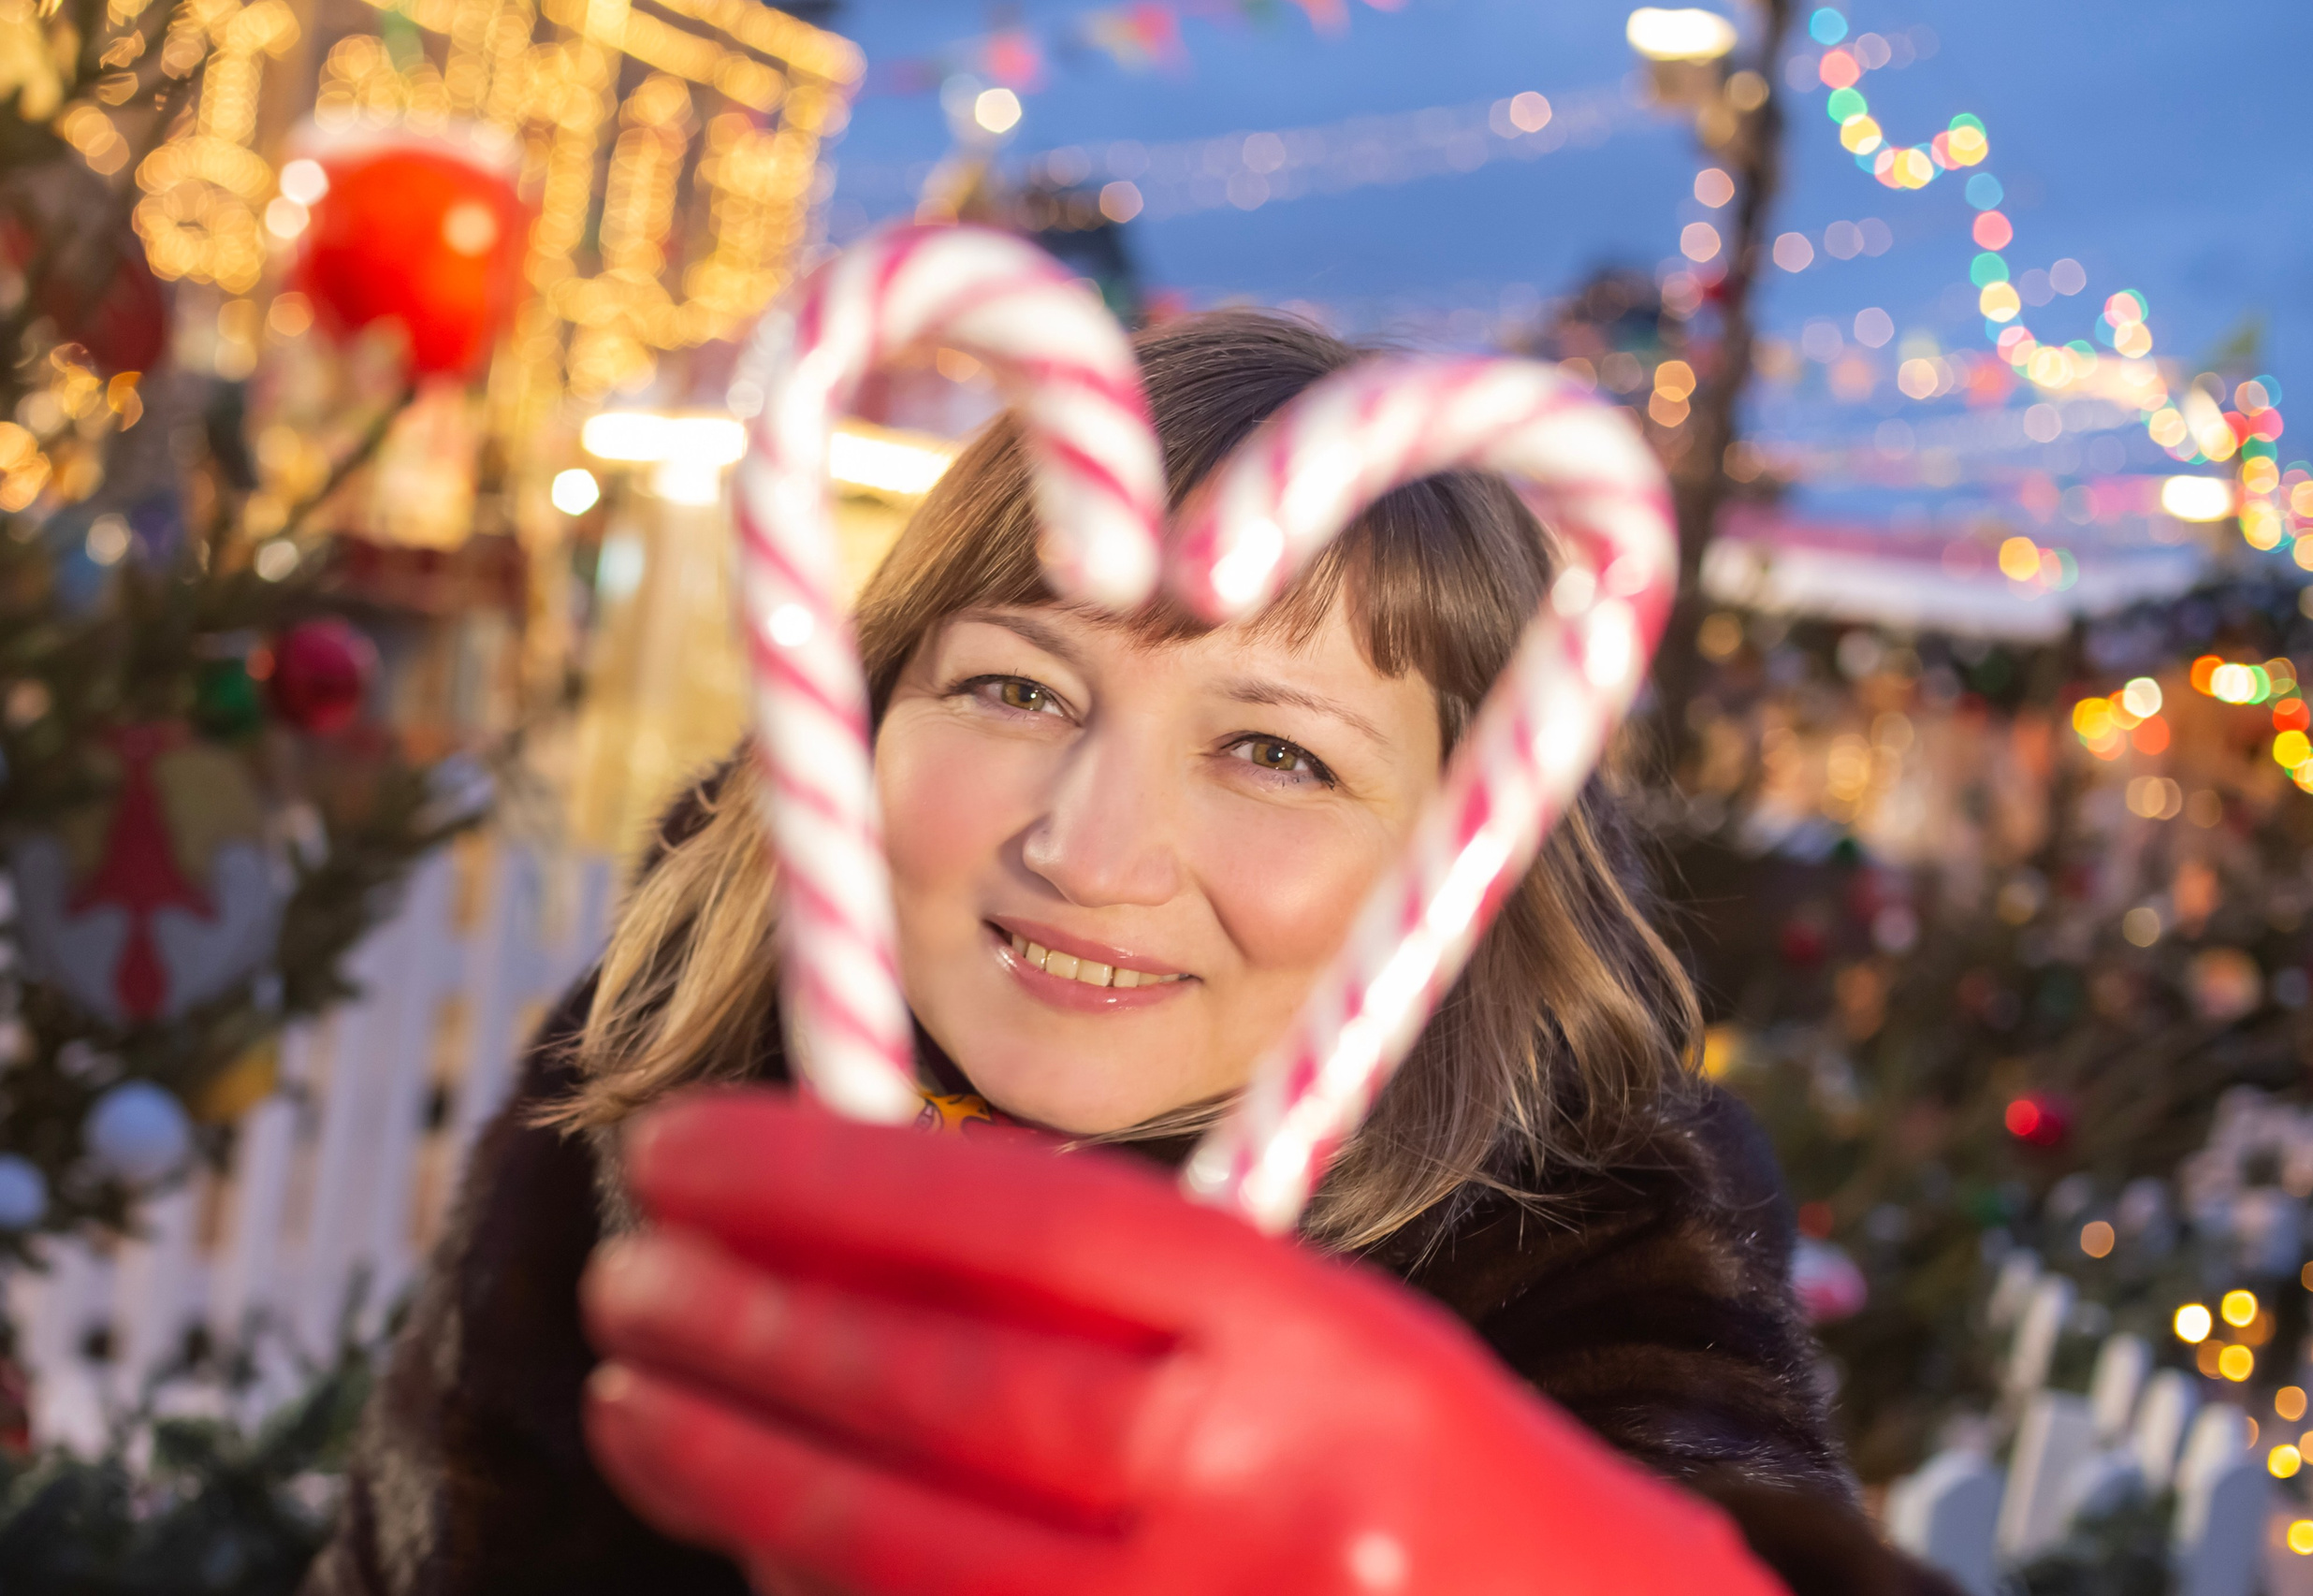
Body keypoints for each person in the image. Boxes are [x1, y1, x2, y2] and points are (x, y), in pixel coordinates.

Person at [306, 312, 1948, 1595]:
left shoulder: (1592, 1266)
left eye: (1278, 755)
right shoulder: (660, 1072)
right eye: (1019, 690)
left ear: (1463, 854)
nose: (1085, 851)